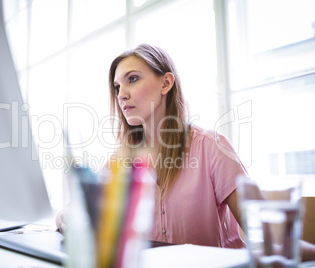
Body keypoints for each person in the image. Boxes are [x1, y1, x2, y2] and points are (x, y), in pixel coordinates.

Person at [56, 43, 315, 260]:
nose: (121, 94)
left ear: (166, 83)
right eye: (117, 87)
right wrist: (67, 215)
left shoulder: (211, 147)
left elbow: (270, 237)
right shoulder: (119, 162)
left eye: (132, 79)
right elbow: (78, 211)